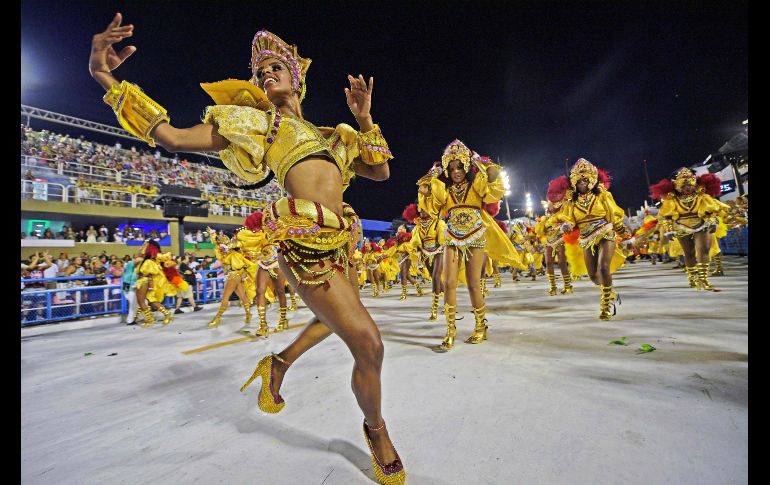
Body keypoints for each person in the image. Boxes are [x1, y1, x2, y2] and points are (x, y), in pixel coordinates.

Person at [89, 16, 403, 483]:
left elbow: (380, 173)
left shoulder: (333, 134)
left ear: (297, 77)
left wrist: (363, 119)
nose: (264, 75)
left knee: (333, 320)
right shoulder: (255, 123)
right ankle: (376, 431)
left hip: (341, 242)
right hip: (299, 242)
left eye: (275, 66)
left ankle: (276, 364)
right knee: (368, 343)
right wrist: (104, 76)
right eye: (258, 73)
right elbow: (173, 136)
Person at [419, 145, 523, 352]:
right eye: (452, 167)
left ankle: (481, 325)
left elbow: (493, 179)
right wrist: (431, 177)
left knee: (474, 283)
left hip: (475, 234)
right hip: (451, 236)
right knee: (448, 282)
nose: (456, 171)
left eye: (460, 167)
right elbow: (429, 200)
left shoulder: (477, 184)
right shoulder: (445, 189)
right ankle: (450, 331)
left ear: (466, 167)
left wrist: (479, 160)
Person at [555, 159, 630, 320]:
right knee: (594, 277)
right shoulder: (571, 201)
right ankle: (610, 292)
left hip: (605, 233)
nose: (583, 183)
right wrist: (566, 226)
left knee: (603, 268)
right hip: (586, 238)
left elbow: (613, 215)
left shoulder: (603, 195)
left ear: (592, 180)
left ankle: (605, 308)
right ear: (574, 182)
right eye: (579, 180)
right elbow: (569, 220)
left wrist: (624, 234)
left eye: (585, 179)